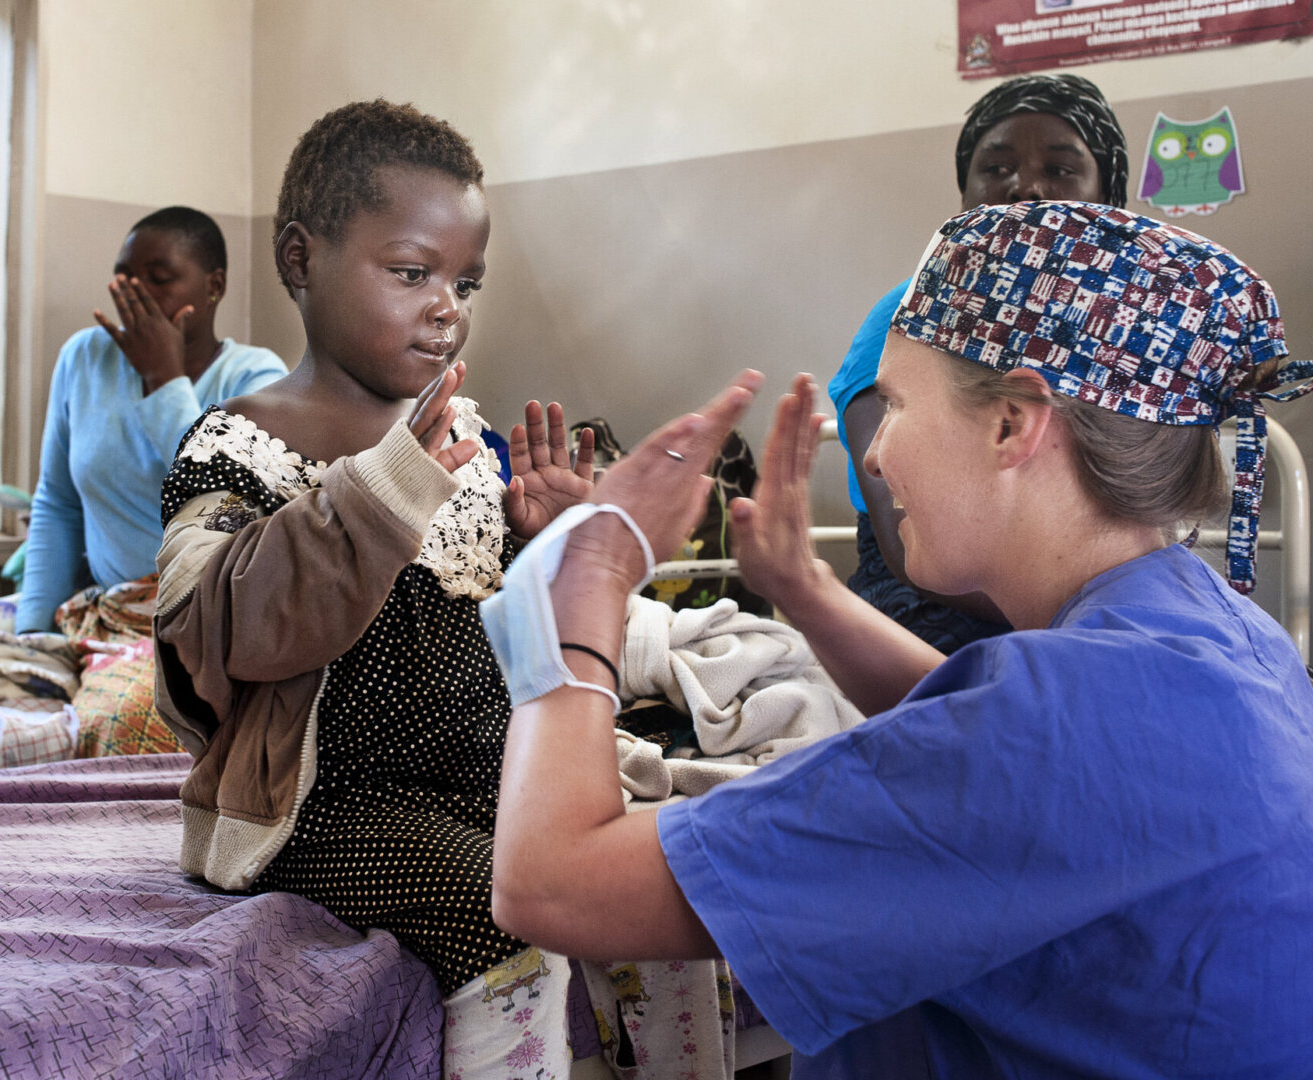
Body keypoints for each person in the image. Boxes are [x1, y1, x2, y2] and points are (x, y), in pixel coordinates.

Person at [484, 201, 1313, 1078]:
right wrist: (802, 589)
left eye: (894, 407)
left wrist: (585, 585)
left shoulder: (1043, 734)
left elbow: (546, 883)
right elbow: (987, 737)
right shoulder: (1213, 631)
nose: (871, 457)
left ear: (1011, 424)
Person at [151, 100, 599, 1080]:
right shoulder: (238, 447)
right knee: (499, 911)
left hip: (478, 777)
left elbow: (513, 643)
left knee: (623, 873)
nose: (448, 305)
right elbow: (214, 628)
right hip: (322, 810)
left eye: (464, 281)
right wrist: (382, 491)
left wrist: (544, 549)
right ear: (302, 260)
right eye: (412, 273)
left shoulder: (466, 447)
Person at [828, 73, 1129, 655]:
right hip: (930, 593)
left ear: (1107, 196)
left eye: (1061, 169)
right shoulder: (907, 317)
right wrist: (1068, 618)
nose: (1025, 188)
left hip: (1087, 586)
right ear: (965, 193)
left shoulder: (1120, 332)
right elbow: (906, 545)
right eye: (996, 169)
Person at [15, 207, 286, 632]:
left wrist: (164, 378)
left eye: (159, 279)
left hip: (205, 622)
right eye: (124, 279)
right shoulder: (85, 357)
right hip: (109, 613)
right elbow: (58, 502)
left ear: (214, 286)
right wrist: (31, 631)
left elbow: (237, 505)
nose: (135, 294)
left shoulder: (256, 378)